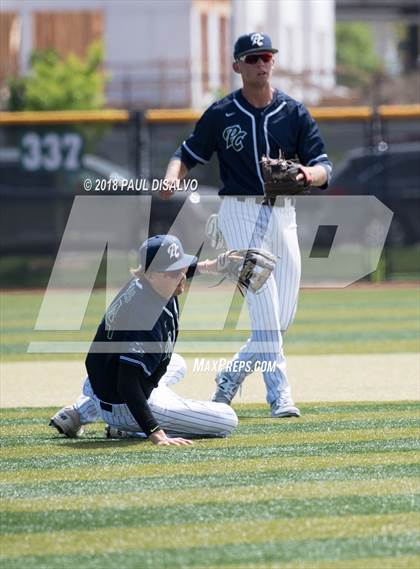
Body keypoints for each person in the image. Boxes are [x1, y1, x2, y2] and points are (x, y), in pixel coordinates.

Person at [161, 33, 332, 418]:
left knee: (281, 317)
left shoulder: (294, 112)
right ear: (238, 65)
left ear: (272, 62)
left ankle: (230, 375)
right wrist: (173, 176)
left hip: (284, 213)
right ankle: (280, 395)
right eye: (252, 58)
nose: (261, 63)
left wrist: (307, 173)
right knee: (265, 310)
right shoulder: (221, 114)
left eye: (266, 57)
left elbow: (325, 167)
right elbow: (186, 153)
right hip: (239, 213)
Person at [49, 234, 238, 446]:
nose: (182, 275)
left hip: (99, 383)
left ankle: (77, 412)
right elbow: (127, 384)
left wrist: (212, 266)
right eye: (174, 272)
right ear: (151, 274)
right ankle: (128, 429)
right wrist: (155, 432)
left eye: (183, 267)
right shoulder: (146, 316)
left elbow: (179, 269)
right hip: (124, 404)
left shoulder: (144, 282)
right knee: (227, 419)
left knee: (177, 363)